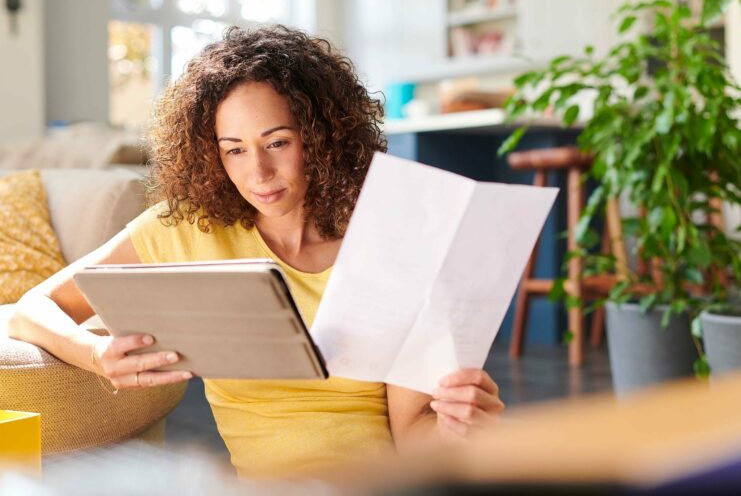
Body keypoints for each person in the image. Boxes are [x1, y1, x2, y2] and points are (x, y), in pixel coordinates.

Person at [8, 25, 504, 479]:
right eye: (235, 149)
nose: (258, 173)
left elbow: (412, 434)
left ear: (321, 136)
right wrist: (96, 354)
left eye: (278, 142)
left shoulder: (390, 240)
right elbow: (31, 309)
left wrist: (457, 427)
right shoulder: (187, 228)